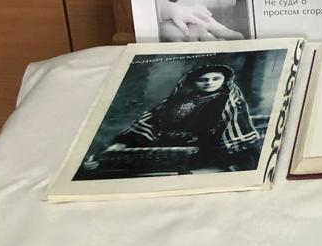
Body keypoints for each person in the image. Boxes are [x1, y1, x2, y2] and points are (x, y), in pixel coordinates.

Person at [81, 63, 261, 175]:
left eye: (216, 79)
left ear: (224, 80)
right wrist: (124, 143)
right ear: (192, 82)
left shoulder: (228, 100)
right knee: (117, 157)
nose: (209, 83)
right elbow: (152, 120)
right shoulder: (176, 101)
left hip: (208, 146)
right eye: (203, 79)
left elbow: (234, 125)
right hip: (169, 144)